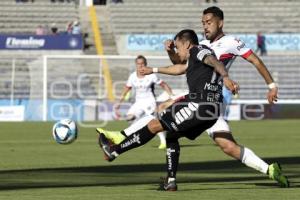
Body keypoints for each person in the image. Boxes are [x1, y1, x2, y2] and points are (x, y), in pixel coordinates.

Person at [98, 7, 289, 190]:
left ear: (220, 23)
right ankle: (269, 169)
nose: (205, 26)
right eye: (203, 23)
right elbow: (181, 65)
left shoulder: (231, 42)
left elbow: (254, 60)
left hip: (203, 101)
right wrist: (158, 65)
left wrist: (271, 86)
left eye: (209, 22)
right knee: (221, 144)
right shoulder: (201, 46)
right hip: (208, 105)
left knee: (160, 122)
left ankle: (116, 148)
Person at [98, 29, 239, 190]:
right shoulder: (195, 56)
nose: (177, 51)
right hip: (212, 111)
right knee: (171, 135)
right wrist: (154, 69)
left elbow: (215, 62)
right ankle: (170, 181)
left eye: (178, 47)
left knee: (154, 125)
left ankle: (114, 150)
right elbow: (179, 67)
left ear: (187, 44)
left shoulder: (197, 51)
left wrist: (226, 77)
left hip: (198, 103)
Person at [102, 55, 174, 149]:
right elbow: (126, 89)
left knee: (155, 121)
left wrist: (171, 95)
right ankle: (136, 137)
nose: (140, 66)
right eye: (138, 64)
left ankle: (163, 141)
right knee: (129, 117)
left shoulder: (151, 75)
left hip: (150, 101)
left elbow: (163, 84)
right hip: (138, 102)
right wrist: (119, 103)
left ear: (146, 64)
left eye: (142, 64)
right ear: (136, 65)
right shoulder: (132, 76)